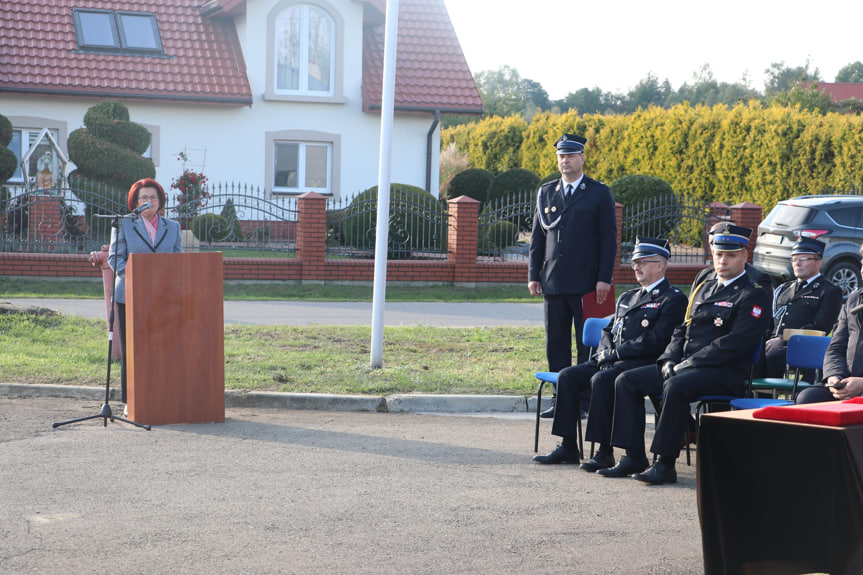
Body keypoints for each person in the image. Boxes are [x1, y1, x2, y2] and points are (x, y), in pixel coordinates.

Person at [600, 223, 771, 484]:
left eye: (730, 255)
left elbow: (737, 342)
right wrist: (669, 358)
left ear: (744, 256)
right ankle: (633, 455)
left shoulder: (753, 293)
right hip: (686, 366)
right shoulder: (705, 285)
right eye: (718, 254)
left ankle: (665, 463)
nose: (722, 261)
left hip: (724, 371)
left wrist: (688, 363)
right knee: (628, 380)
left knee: (676, 386)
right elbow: (683, 329)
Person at [533, 237, 687, 466]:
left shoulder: (672, 299)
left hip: (640, 362)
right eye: (635, 262)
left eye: (643, 262)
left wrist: (615, 354)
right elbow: (609, 329)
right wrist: (604, 352)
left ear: (660, 265)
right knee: (568, 376)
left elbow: (656, 340)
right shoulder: (628, 297)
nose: (637, 266)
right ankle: (568, 446)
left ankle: (604, 452)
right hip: (612, 359)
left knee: (602, 380)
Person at [528, 133, 617, 419]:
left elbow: (609, 239)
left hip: (587, 283)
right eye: (560, 157)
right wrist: (534, 274)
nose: (564, 161)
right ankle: (560, 399)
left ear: (581, 158)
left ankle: (585, 400)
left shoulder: (598, 192)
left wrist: (604, 278)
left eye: (570, 156)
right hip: (553, 281)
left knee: (586, 345)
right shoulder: (547, 192)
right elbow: (537, 238)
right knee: (556, 344)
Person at [107, 178, 183, 409]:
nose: (149, 201)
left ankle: (162, 394)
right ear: (135, 201)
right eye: (144, 197)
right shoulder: (124, 224)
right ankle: (132, 399)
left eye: (153, 197)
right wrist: (137, 277)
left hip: (164, 296)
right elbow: (114, 258)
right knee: (134, 347)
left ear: (161, 202)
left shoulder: (173, 227)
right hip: (131, 294)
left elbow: (179, 260)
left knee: (163, 346)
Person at [762, 237, 841, 379]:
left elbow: (820, 327)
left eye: (803, 259)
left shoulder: (829, 291)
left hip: (803, 348)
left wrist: (782, 339)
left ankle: (764, 399)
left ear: (818, 261)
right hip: (773, 345)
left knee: (772, 358)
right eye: (794, 259)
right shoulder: (783, 289)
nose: (797, 264)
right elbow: (770, 320)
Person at [796, 245, 863, 404]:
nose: (862, 269)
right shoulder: (854, 300)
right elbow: (836, 347)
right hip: (847, 383)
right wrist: (835, 377)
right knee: (807, 398)